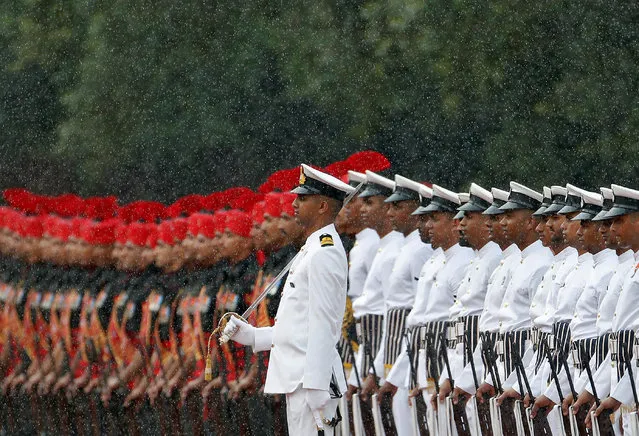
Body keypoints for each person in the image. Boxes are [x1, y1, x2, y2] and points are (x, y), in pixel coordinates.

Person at [222, 163, 355, 435]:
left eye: (303, 198)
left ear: (322, 206)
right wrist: (254, 337)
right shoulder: (312, 248)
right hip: (299, 380)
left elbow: (324, 324)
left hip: (311, 382)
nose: (294, 203)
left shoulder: (324, 252)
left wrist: (317, 385)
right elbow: (299, 325)